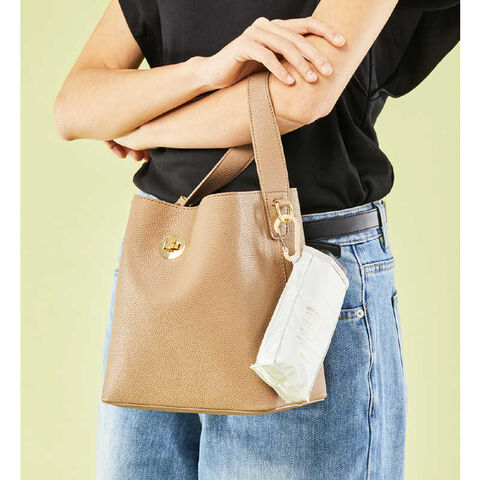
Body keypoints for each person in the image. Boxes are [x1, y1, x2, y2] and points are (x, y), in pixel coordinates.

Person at [54, 1, 459, 478]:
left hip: (299, 271)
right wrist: (206, 71)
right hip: (162, 276)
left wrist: (144, 128)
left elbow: (299, 97)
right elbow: (73, 107)